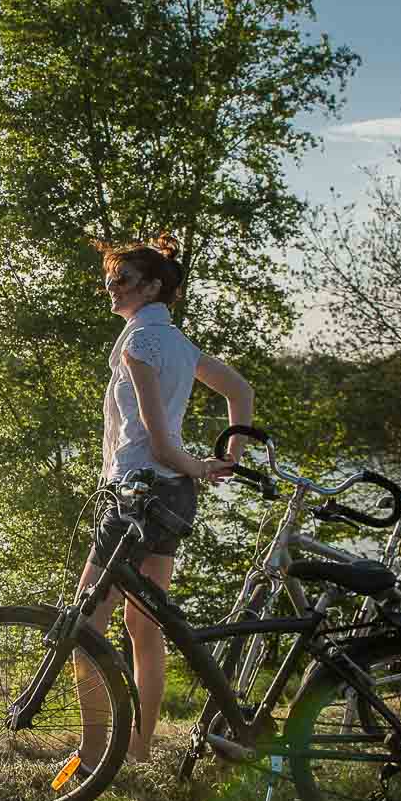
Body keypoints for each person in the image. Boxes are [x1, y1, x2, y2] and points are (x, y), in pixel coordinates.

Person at [81, 234, 253, 764]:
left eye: (123, 280)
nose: (111, 288)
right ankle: (139, 748)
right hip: (172, 495)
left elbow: (157, 442)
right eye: (110, 279)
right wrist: (231, 454)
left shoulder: (139, 344)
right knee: (144, 623)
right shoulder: (179, 344)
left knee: (85, 625)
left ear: (153, 288)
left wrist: (204, 465)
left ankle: (92, 755)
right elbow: (240, 392)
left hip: (136, 493)